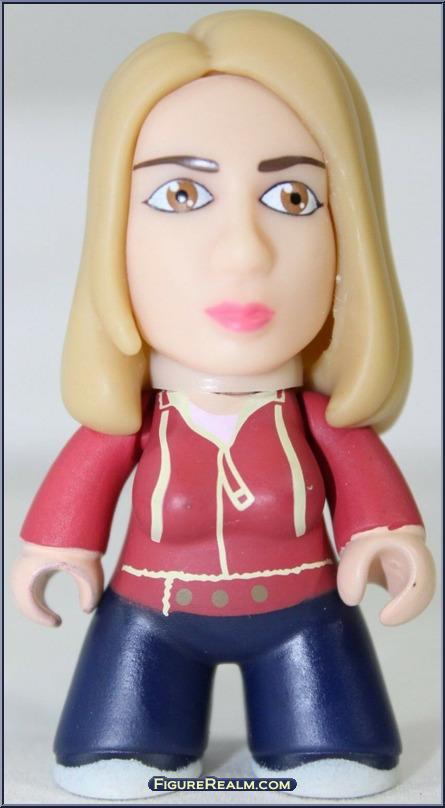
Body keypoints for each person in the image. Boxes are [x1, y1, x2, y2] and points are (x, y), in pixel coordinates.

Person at [11, 10, 435, 800]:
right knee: (114, 750)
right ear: (112, 234)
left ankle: (317, 735)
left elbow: (373, 503)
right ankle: (135, 735)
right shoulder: (135, 423)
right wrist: (58, 551)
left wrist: (388, 540)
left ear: (347, 241)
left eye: (291, 196)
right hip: (149, 618)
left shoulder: (318, 421)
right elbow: (79, 491)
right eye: (180, 193)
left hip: (307, 616)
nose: (243, 250)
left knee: (336, 751)